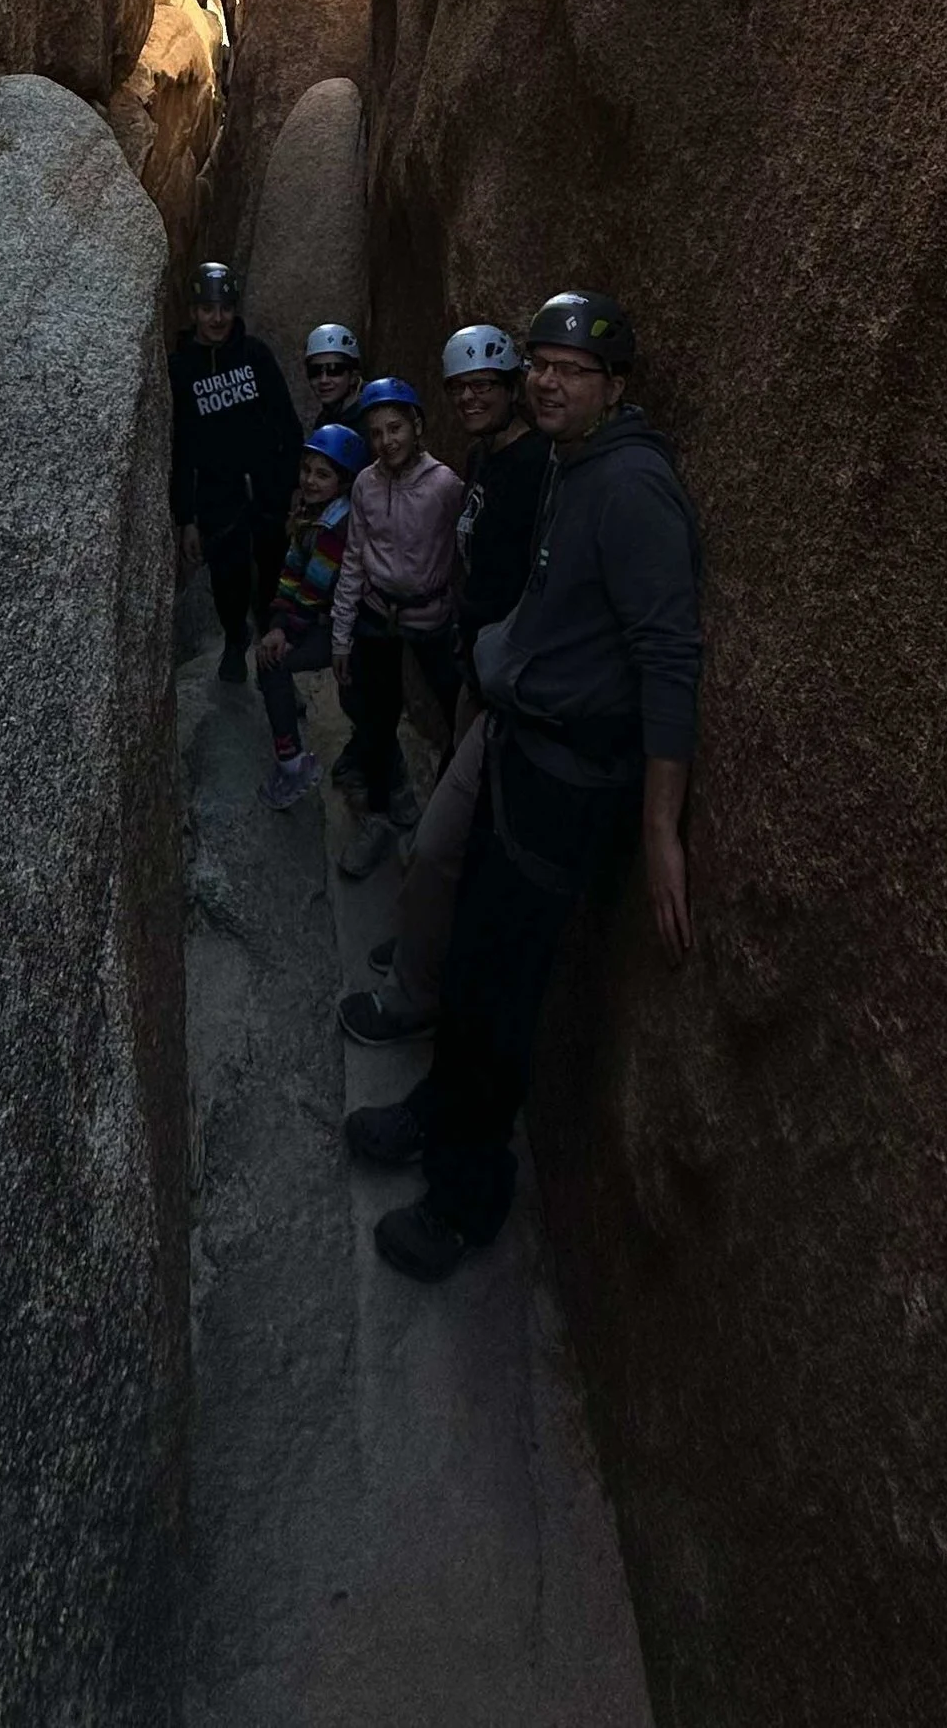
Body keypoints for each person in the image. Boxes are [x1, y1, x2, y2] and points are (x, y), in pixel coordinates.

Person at [348, 293, 702, 1282]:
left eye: (572, 369)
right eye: (539, 362)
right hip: (523, 745)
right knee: (470, 954)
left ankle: (462, 1203)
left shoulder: (630, 488)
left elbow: (669, 654)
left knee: (500, 990)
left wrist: (662, 822)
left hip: (563, 779)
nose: (547, 380)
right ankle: (434, 1110)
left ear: (614, 386)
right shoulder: (570, 464)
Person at [339, 323, 549, 1047]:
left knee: (443, 841)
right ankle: (425, 942)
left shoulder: (517, 470)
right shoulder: (486, 461)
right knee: (446, 833)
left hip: (502, 686)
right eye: (461, 387)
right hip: (475, 668)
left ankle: (417, 985)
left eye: (483, 386)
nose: (471, 397)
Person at [329, 378, 464, 881]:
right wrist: (341, 634)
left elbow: (465, 556)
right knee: (376, 717)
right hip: (376, 613)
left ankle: (444, 826)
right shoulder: (366, 483)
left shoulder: (445, 487)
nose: (387, 441)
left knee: (458, 711)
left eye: (396, 428)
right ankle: (385, 814)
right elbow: (355, 559)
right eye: (377, 433)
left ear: (417, 426)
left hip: (429, 616)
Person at [169, 260, 303, 684]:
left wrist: (295, 484)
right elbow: (180, 448)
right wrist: (186, 519)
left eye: (225, 307)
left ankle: (275, 663)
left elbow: (285, 419)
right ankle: (233, 638)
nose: (217, 318)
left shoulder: (255, 355)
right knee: (227, 580)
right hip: (217, 495)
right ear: (193, 312)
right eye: (208, 308)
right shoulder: (181, 369)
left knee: (274, 579)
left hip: (266, 490)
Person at [253, 421, 365, 805]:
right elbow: (291, 572)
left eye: (323, 474)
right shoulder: (313, 514)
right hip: (320, 618)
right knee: (271, 658)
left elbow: (315, 588)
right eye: (307, 471)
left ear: (344, 480)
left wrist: (284, 629)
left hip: (341, 628)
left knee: (274, 664)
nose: (311, 481)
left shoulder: (337, 525)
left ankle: (293, 765)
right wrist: (278, 622)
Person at [303, 324, 364, 434]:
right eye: (315, 371)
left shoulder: (373, 418)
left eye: (334, 370)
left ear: (353, 376)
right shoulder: (325, 420)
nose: (323, 380)